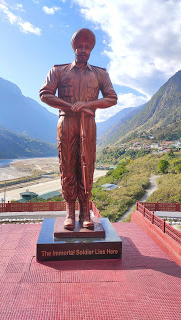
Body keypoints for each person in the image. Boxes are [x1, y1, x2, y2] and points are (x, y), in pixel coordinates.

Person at [40, 28, 117, 230]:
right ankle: (69, 213)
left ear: (91, 50)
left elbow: (112, 97)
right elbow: (45, 94)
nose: (83, 50)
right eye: (80, 46)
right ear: (74, 48)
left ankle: (85, 213)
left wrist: (88, 105)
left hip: (88, 123)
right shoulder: (59, 71)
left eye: (87, 47)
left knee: (87, 165)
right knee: (67, 166)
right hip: (66, 122)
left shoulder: (100, 74)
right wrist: (68, 105)